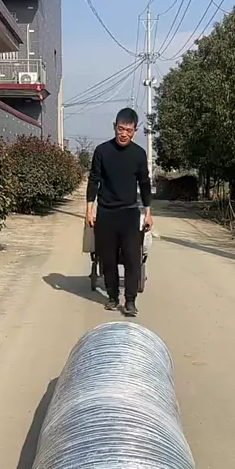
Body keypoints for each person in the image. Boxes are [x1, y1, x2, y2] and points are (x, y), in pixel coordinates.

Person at [86, 108, 153, 318]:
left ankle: (130, 301)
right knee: (108, 258)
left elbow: (144, 184)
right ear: (114, 127)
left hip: (129, 213)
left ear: (135, 131)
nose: (124, 134)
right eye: (120, 129)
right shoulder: (102, 151)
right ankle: (113, 296)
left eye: (128, 130)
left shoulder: (139, 154)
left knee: (133, 258)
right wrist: (89, 209)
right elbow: (94, 180)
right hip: (106, 213)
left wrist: (148, 213)